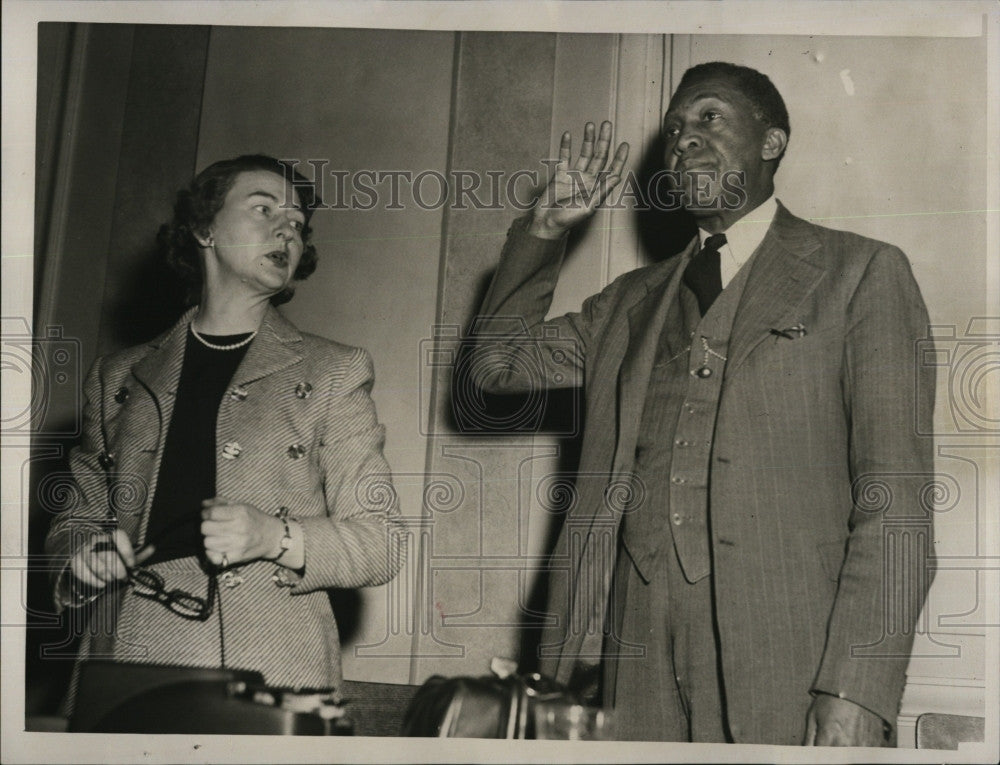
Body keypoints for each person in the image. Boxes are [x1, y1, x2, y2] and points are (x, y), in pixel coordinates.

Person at [470, 62, 934, 746]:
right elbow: (496, 366)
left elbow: (897, 500)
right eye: (675, 129)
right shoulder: (629, 301)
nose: (684, 138)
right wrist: (543, 232)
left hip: (792, 658)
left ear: (772, 141)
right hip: (628, 656)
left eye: (709, 117)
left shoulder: (859, 272)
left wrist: (855, 688)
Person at [45, 155, 402, 708]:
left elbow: (381, 543)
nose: (287, 229)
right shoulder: (117, 376)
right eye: (264, 209)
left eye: (299, 226)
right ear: (203, 228)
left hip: (273, 661)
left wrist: (275, 537)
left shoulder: (334, 370)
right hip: (125, 650)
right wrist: (82, 558)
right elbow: (75, 520)